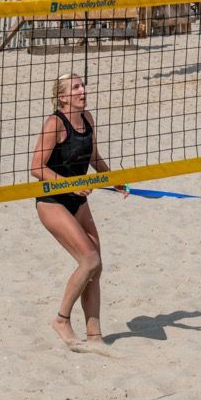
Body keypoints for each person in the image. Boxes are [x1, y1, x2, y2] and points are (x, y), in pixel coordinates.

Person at [31, 74, 127, 346]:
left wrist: (113, 179)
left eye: (82, 85)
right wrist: (70, 185)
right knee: (89, 260)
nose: (82, 90)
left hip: (78, 200)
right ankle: (61, 319)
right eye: (75, 87)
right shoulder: (54, 124)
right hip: (53, 201)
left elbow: (93, 156)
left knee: (96, 268)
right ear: (62, 97)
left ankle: (94, 336)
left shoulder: (87, 118)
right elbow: (36, 167)